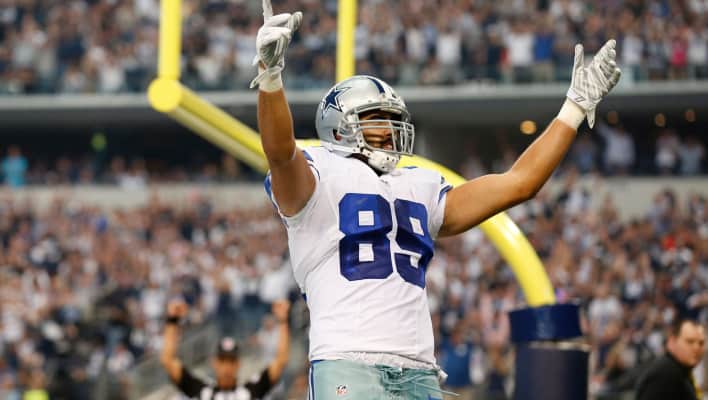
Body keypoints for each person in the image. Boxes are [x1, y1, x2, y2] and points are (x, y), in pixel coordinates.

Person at [251, 1, 621, 397]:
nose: (391, 130)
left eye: (394, 121)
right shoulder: (318, 172)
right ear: (338, 128)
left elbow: (519, 183)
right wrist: (271, 76)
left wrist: (574, 108)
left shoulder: (419, 184)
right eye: (377, 120)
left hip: (419, 369)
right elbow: (280, 152)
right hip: (347, 361)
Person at [160, 299, 290, 400]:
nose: (226, 367)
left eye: (231, 361)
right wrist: (172, 320)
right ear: (215, 363)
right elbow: (168, 361)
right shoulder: (202, 391)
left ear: (238, 364)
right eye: (223, 361)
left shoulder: (250, 391)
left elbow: (281, 361)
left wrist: (283, 320)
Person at [635, 318, 705, 400]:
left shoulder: (681, 371)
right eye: (690, 341)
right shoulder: (665, 374)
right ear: (672, 342)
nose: (696, 348)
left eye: (701, 343)